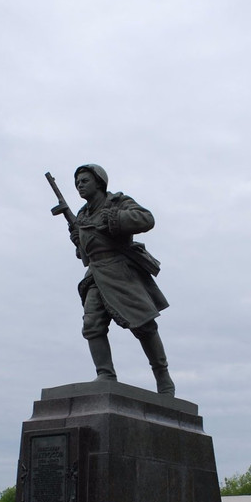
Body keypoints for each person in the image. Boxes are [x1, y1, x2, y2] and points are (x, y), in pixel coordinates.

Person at [68, 163, 175, 396]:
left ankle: (162, 376)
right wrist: (78, 239)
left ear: (99, 181)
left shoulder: (116, 202)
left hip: (120, 270)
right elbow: (85, 255)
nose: (79, 185)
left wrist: (115, 219)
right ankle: (105, 374)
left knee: (144, 326)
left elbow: (146, 219)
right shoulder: (82, 214)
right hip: (95, 272)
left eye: (84, 181)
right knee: (92, 324)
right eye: (77, 183)